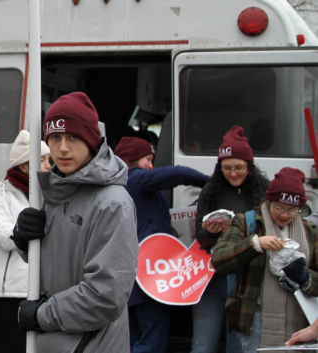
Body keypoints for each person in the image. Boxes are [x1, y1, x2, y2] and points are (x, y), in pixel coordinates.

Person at [11, 91, 139, 352]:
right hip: (53, 342)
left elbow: (106, 295)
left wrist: (41, 315)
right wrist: (25, 241)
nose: (63, 148)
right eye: (55, 137)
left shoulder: (112, 203)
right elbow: (59, 265)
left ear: (92, 141)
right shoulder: (52, 191)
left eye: (73, 137)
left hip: (91, 345)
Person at [118, 137, 210, 353]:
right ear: (131, 160)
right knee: (153, 343)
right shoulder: (137, 178)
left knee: (132, 340)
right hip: (151, 275)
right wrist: (211, 183)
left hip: (133, 274)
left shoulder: (125, 184)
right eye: (147, 160)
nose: (151, 166)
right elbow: (179, 173)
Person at [212, 167, 318, 351]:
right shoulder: (247, 222)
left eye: (293, 210)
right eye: (279, 207)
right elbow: (220, 261)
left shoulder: (309, 230)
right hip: (256, 318)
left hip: (301, 319)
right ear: (268, 201)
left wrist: (305, 277)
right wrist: (255, 244)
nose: (285, 215)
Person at [190, 126, 269, 353]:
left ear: (249, 166)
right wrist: (212, 232)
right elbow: (201, 238)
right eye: (226, 168)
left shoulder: (265, 191)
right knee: (203, 344)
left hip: (247, 279)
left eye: (239, 168)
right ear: (219, 167)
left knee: (240, 346)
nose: (233, 173)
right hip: (212, 277)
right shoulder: (210, 190)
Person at [0, 129, 50, 353]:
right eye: (43, 160)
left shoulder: (51, 195)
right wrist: (22, 231)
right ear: (24, 165)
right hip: (9, 293)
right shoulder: (0, 192)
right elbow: (2, 235)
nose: (50, 165)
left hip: (44, 291)